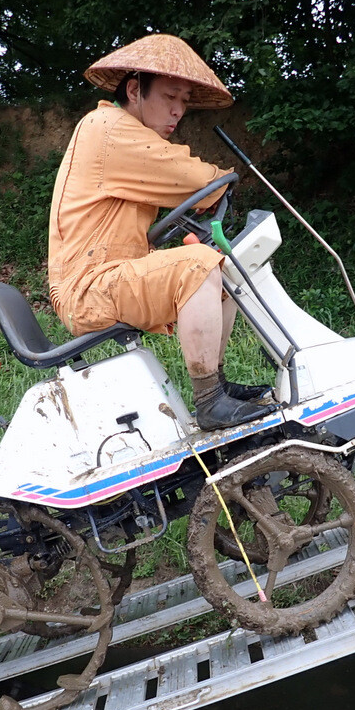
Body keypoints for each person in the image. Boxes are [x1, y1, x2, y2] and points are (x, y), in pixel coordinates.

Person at [47, 33, 272, 431]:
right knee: (200, 263)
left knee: (223, 268)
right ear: (135, 90)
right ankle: (209, 400)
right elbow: (195, 179)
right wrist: (221, 181)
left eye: (184, 101)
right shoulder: (109, 128)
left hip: (111, 276)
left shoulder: (121, 132)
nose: (178, 110)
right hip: (88, 288)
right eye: (170, 97)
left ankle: (217, 384)